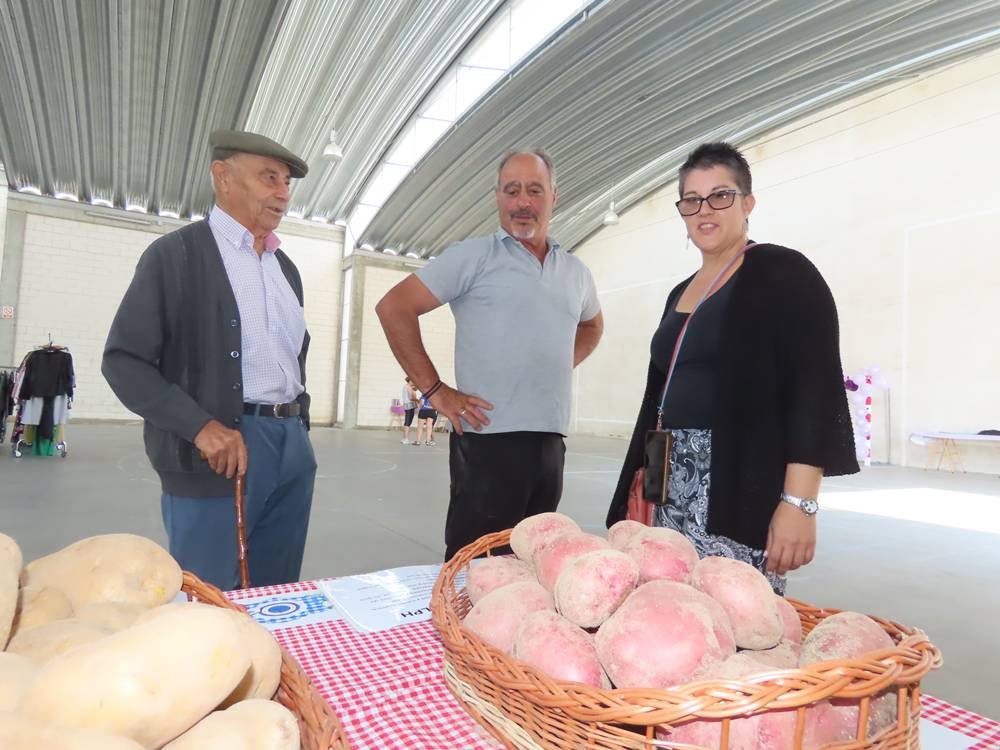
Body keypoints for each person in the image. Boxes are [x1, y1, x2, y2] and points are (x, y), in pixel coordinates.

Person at [606, 142, 858, 594]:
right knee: (666, 607)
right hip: (667, 481)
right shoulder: (680, 292)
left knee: (733, 612)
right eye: (691, 200)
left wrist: (799, 503)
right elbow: (660, 399)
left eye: (720, 195)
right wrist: (647, 487)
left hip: (737, 484)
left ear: (748, 203)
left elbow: (813, 390)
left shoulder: (782, 273)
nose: (705, 209)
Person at [103, 130, 317, 590]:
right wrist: (199, 427)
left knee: (278, 594)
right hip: (217, 452)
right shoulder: (175, 256)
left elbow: (292, 356)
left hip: (290, 445)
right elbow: (124, 361)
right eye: (269, 178)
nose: (283, 193)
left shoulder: (285, 269)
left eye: (286, 182)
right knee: (210, 596)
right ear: (222, 176)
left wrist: (299, 429)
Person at [376, 149, 604, 560]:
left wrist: (557, 363)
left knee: (534, 564)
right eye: (511, 190)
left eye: (534, 190)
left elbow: (592, 327)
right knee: (475, 568)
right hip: (487, 443)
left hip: (551, 441)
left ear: (554, 196)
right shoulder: (472, 257)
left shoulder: (576, 272)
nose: (523, 202)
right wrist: (435, 391)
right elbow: (394, 308)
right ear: (497, 197)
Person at [400, 376, 417, 444]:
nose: (414, 382)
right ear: (410, 381)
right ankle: (406, 439)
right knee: (408, 422)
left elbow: (415, 389)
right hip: (410, 405)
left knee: (407, 422)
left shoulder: (406, 386)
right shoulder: (409, 387)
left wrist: (414, 387)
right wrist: (418, 400)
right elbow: (411, 398)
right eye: (413, 381)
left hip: (406, 405)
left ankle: (404, 438)